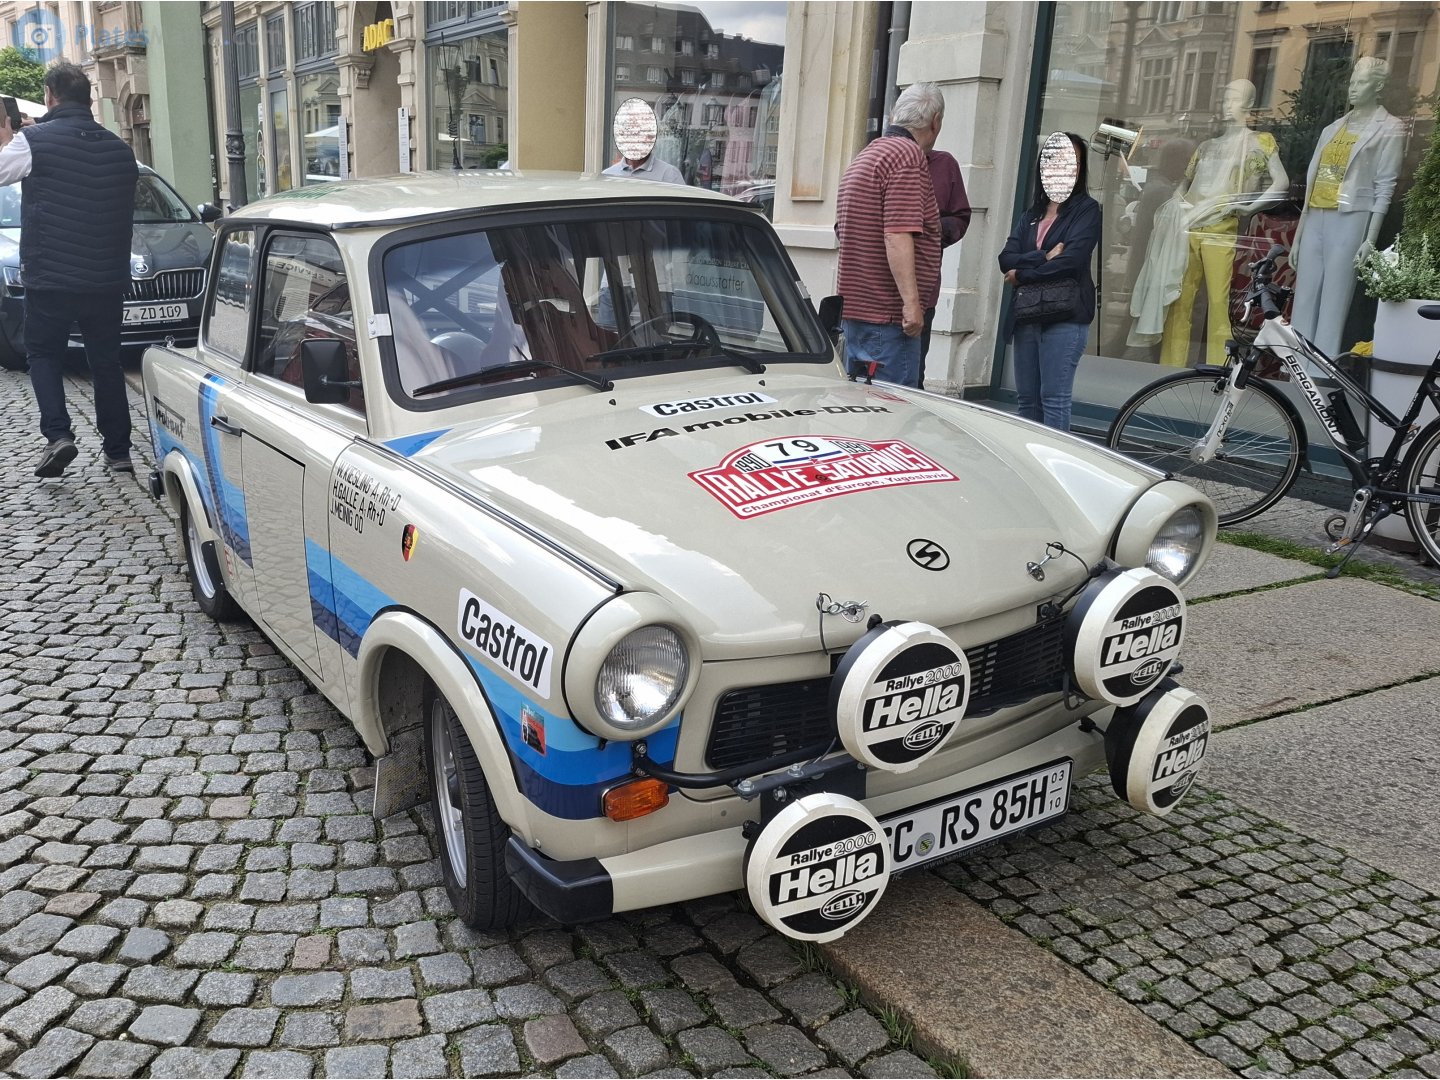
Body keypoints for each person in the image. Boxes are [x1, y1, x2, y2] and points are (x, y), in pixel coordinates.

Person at [0, 62, 139, 478]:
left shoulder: (32, 142)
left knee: (43, 354)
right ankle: (119, 451)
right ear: (89, 98)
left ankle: (59, 435)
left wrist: (9, 140)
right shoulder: (120, 149)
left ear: (49, 95)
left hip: (51, 276)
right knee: (106, 362)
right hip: (106, 279)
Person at [1158, 80, 1287, 367]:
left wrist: (1249, 207)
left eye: (1235, 99)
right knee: (1179, 301)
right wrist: (1177, 206)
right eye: (1226, 98)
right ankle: (1170, 367)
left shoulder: (1260, 141)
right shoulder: (1207, 146)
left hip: (1220, 228)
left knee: (1218, 301)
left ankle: (1218, 367)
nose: (1228, 104)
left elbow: (1281, 183)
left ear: (1249, 104)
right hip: (1189, 227)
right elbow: (1184, 185)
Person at [1290, 57, 1404, 358]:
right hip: (1316, 215)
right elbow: (1313, 183)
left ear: (1377, 86)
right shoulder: (1332, 128)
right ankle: (1295, 368)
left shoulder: (1390, 128)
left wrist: (1370, 238)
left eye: (1361, 83)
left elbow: (1385, 186)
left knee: (1334, 300)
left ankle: (1322, 371)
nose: (1353, 88)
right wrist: (1299, 236)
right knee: (1304, 297)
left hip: (1351, 217)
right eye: (1352, 82)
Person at [834, 82, 944, 389]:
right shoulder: (907, 156)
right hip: (888, 319)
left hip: (858, 313)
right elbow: (897, 234)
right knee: (894, 408)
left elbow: (844, 231)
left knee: (862, 404)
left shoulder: (868, 155)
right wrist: (911, 304)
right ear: (935, 122)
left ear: (896, 114)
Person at [998, 131, 1101, 431]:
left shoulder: (1086, 210)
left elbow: (1071, 261)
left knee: (1054, 400)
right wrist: (1044, 256)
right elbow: (1006, 259)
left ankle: (1055, 460)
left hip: (1065, 317)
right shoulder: (1031, 214)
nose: (1067, 168)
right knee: (1027, 401)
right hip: (1027, 315)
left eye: (1075, 162)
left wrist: (1022, 274)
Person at [918, 147, 971, 383]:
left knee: (911, 379)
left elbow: (961, 218)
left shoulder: (944, 164)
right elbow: (844, 226)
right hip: (872, 301)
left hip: (921, 294)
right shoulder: (875, 159)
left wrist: (930, 230)